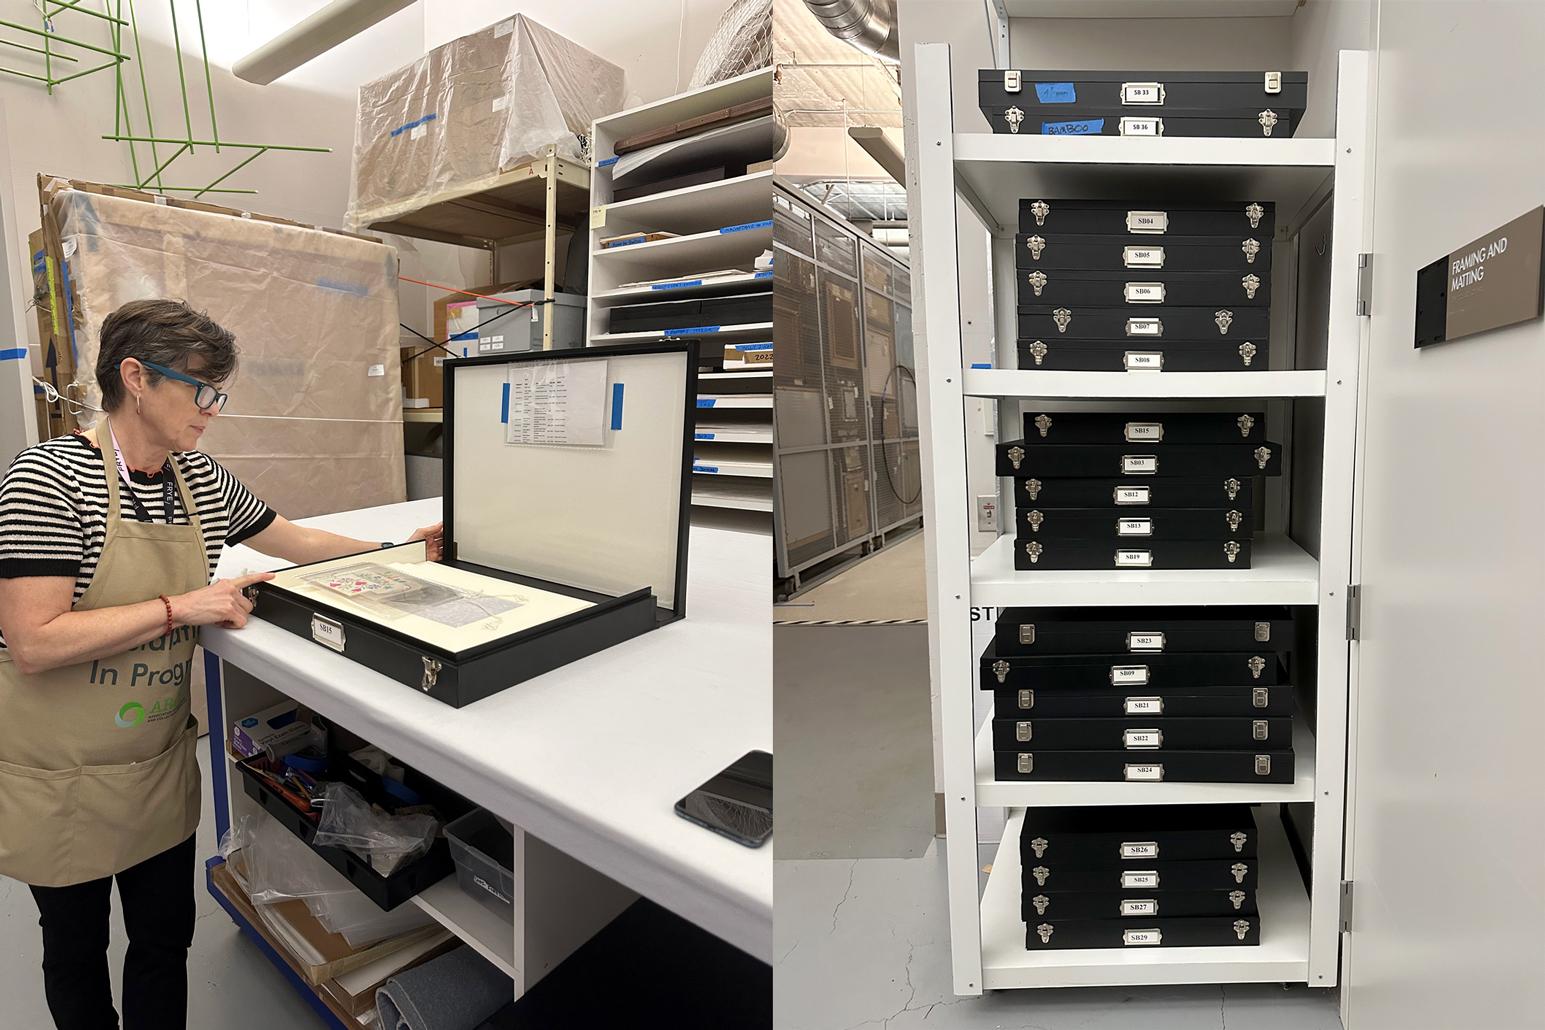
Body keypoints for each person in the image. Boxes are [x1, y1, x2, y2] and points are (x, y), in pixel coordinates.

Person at [0, 298, 441, 1030]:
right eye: (201, 389)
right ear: (136, 377)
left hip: (154, 764)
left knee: (163, 939)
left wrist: (403, 552)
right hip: (60, 776)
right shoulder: (47, 478)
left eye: (218, 392)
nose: (212, 409)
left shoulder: (196, 479)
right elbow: (35, 641)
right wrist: (184, 606)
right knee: (74, 950)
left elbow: (293, 541)